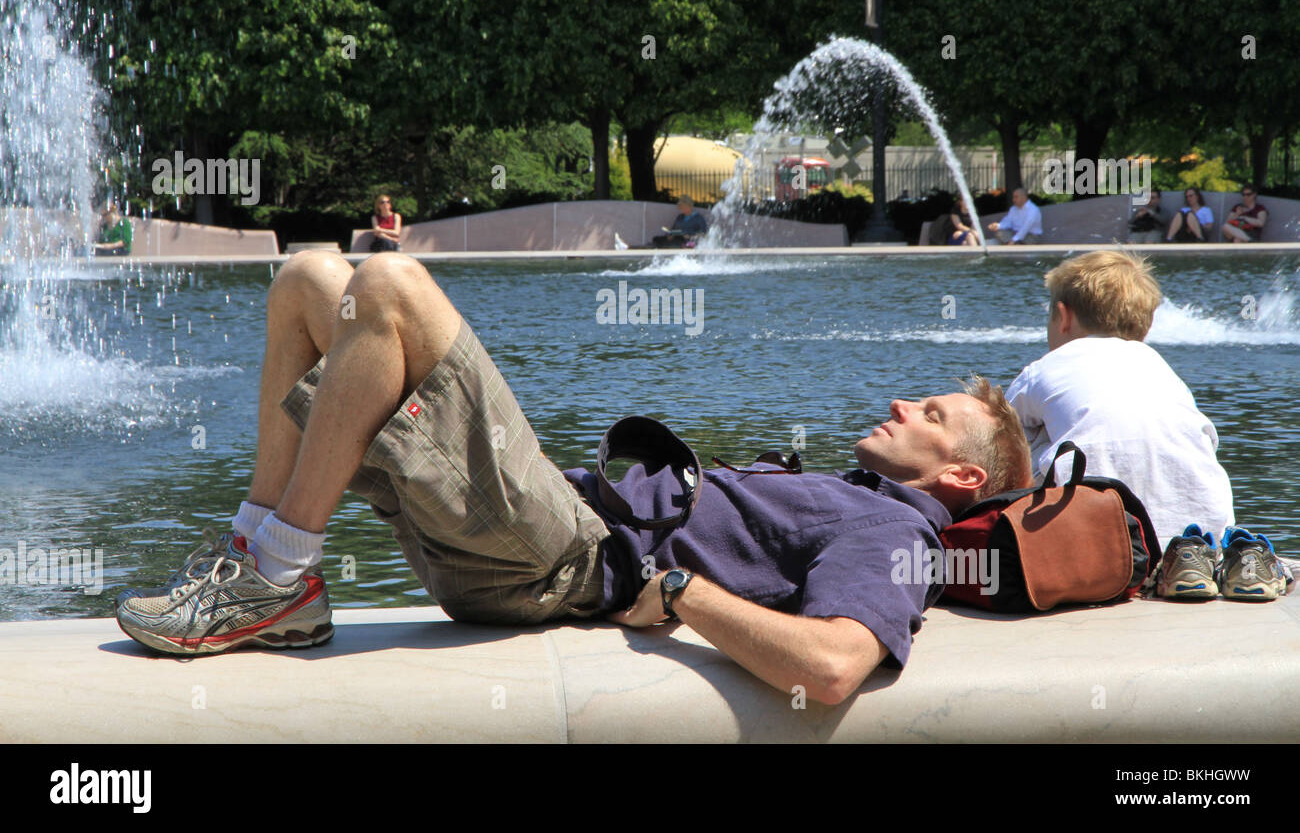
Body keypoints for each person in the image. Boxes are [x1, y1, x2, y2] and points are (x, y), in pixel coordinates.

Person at [116, 250, 1033, 705]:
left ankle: (277, 574)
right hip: (541, 530)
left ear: (957, 476)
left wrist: (679, 593)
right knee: (310, 279)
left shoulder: (893, 532)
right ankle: (258, 557)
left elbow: (834, 668)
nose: (907, 403)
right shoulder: (852, 494)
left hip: (568, 558)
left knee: (390, 283)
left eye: (935, 414)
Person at [1004, 250, 1234, 551]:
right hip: (1203, 538)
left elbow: (999, 435)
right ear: (1147, 324)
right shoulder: (1161, 369)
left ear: (1064, 316)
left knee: (1013, 438)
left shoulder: (1044, 368)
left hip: (1098, 538)